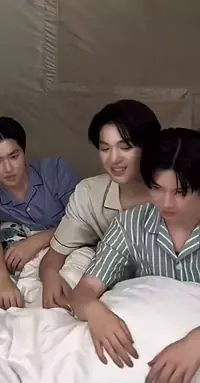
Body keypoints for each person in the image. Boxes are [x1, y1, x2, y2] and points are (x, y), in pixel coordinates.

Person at [70, 128, 200, 383]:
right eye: (157, 189)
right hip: (141, 356)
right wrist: (95, 311)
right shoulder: (131, 224)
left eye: (180, 192)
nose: (166, 203)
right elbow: (84, 291)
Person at [39, 99, 161, 309]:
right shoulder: (89, 193)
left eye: (125, 147)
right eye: (105, 148)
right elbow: (56, 253)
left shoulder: (175, 193)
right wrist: (50, 276)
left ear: (148, 147)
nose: (114, 159)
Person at [0, 117, 79, 309]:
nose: (8, 168)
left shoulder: (55, 170)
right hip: (33, 270)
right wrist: (1, 278)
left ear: (24, 151)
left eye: (14, 157)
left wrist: (36, 241)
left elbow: (84, 221)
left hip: (74, 252)